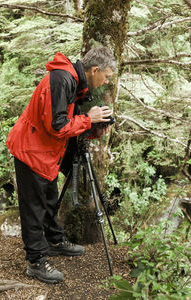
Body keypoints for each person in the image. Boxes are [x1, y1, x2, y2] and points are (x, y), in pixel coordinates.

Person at [6, 46, 116, 284]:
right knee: (34, 208)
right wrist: (89, 118)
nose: (106, 82)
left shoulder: (74, 83)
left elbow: (67, 127)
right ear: (95, 70)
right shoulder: (62, 79)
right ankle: (36, 262)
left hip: (45, 154)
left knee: (48, 201)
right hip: (30, 151)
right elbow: (57, 126)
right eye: (106, 76)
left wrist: (93, 129)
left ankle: (54, 241)